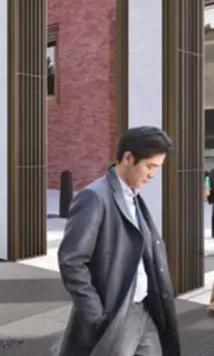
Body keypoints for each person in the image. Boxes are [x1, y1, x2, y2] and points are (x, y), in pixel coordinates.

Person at [56, 126, 180, 356]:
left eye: (158, 168)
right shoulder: (94, 197)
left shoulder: (133, 196)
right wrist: (95, 316)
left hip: (145, 311)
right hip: (116, 316)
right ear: (128, 158)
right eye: (150, 166)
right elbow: (71, 261)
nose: (153, 174)